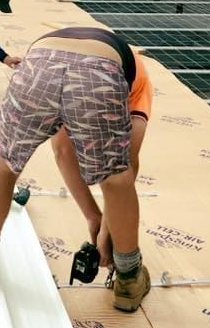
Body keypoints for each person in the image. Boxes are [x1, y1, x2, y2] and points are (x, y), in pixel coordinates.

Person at [0, 27, 151, 312]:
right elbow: (127, 165)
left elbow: (62, 151)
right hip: (98, 75)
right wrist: (103, 228)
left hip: (36, 66)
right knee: (117, 178)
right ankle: (128, 278)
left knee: (4, 165)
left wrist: (95, 218)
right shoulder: (138, 77)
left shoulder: (77, 43)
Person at [52, 49, 152, 269]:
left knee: (118, 166)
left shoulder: (132, 85)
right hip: (75, 68)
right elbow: (63, 151)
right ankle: (127, 268)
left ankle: (126, 267)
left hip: (124, 73)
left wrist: (107, 230)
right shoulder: (58, 84)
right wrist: (94, 218)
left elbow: (126, 163)